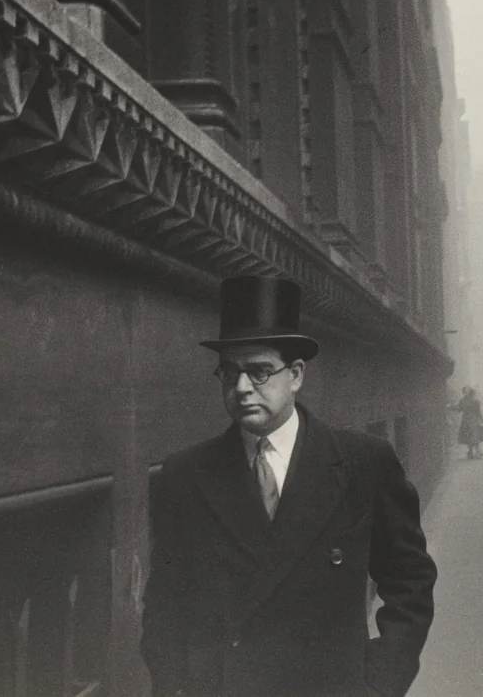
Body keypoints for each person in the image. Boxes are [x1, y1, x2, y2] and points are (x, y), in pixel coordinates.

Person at [141, 275, 436, 697]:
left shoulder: (362, 463)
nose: (242, 387)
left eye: (259, 371)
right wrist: (174, 687)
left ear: (295, 375)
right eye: (229, 372)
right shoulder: (186, 474)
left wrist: (379, 684)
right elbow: (165, 602)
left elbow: (410, 581)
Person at [452, 386, 483, 459]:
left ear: (470, 392)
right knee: (468, 437)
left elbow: (478, 411)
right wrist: (450, 407)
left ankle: (477, 451)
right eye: (465, 391)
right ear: (463, 392)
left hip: (474, 420)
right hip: (466, 421)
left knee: (475, 436)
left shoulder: (475, 401)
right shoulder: (463, 401)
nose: (466, 393)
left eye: (467, 391)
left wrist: (481, 418)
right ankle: (471, 452)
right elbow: (459, 408)